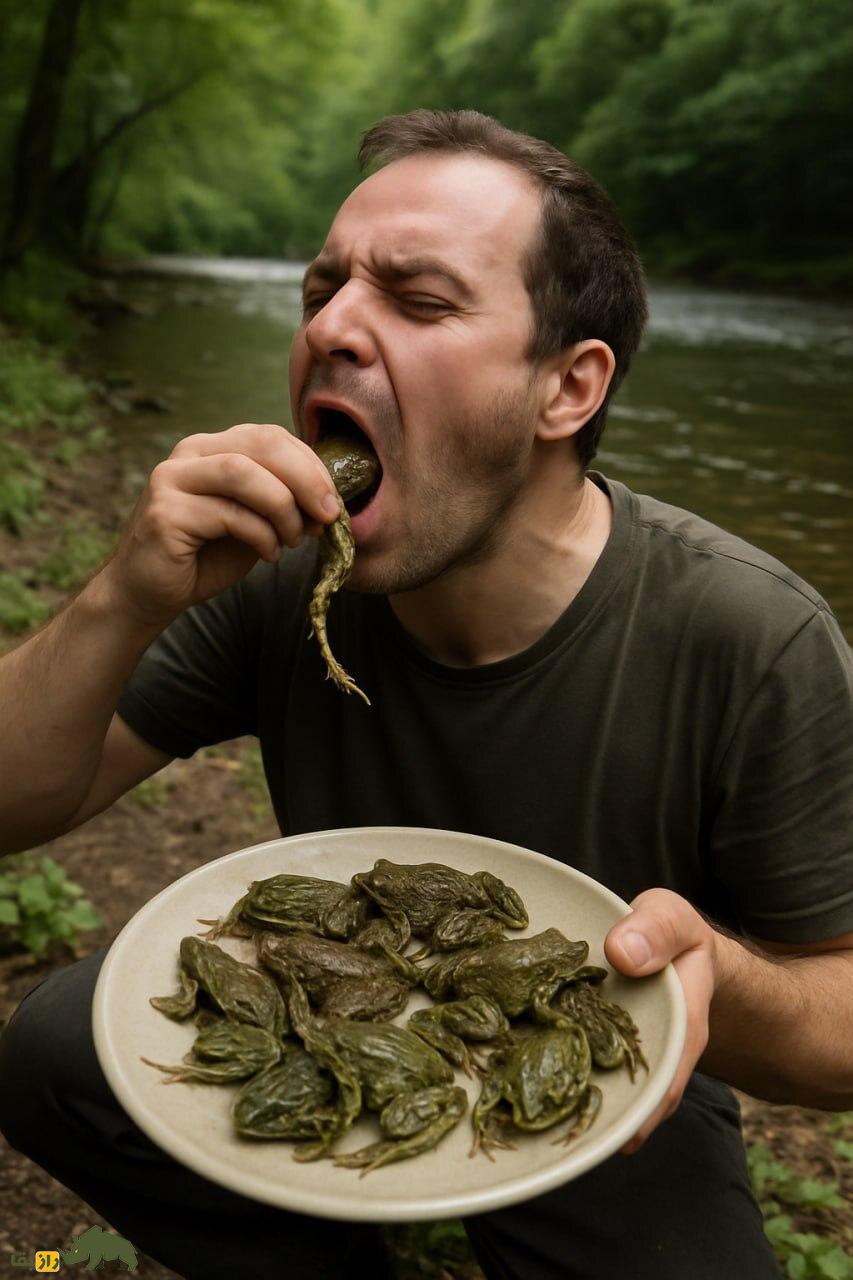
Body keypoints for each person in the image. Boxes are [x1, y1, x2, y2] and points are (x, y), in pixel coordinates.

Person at [0, 108, 851, 1280]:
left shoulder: (750, 637)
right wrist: (120, 599)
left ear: (568, 387)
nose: (332, 327)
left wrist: (720, 973)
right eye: (323, 289)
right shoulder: (278, 577)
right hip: (338, 1022)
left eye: (419, 299)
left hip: (601, 1067)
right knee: (55, 1051)